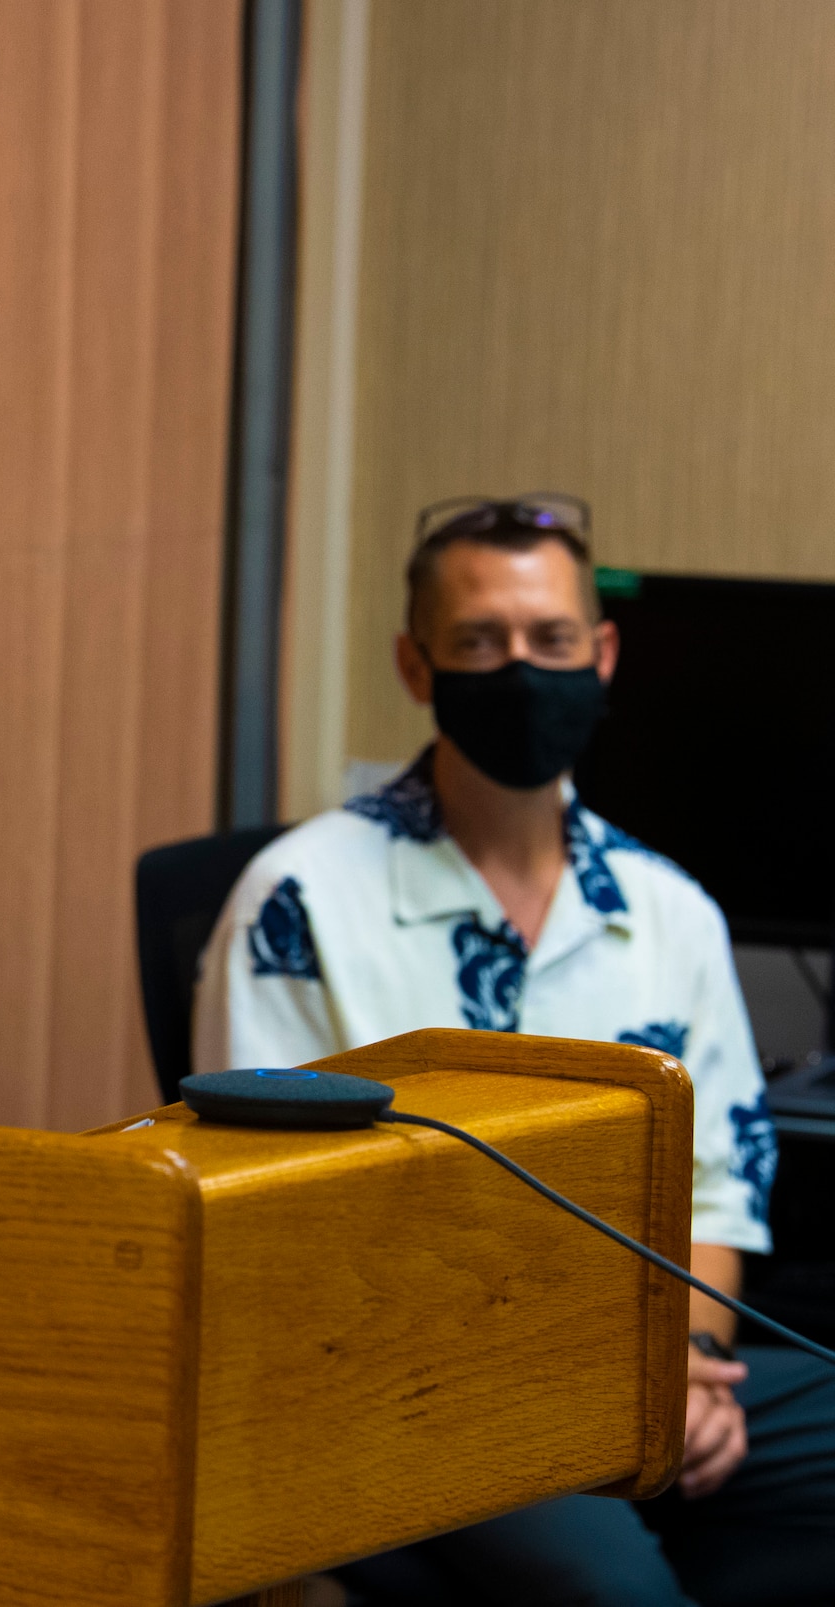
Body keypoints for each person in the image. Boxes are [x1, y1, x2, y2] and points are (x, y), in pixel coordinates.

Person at [193, 494, 835, 1607]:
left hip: (629, 1370)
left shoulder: (667, 910)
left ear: (602, 653)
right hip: (410, 1392)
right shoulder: (298, 898)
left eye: (549, 641)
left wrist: (675, 1374)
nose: (519, 669)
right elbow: (264, 1230)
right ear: (413, 663)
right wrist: (568, 1395)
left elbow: (717, 1193)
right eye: (479, 644)